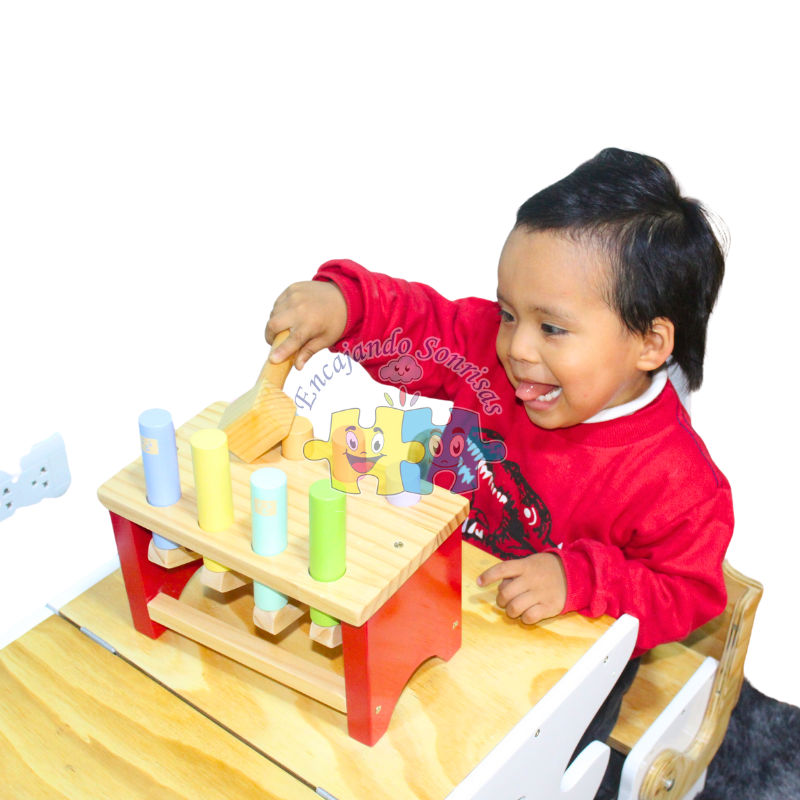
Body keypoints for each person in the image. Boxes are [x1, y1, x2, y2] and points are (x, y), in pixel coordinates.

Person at [265, 148, 732, 799]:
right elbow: (428, 323)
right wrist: (349, 305)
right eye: (509, 313)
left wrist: (579, 578)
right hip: (448, 588)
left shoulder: (679, 482)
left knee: (518, 763)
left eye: (552, 327)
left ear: (650, 343)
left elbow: (688, 591)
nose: (516, 347)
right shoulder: (495, 353)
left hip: (563, 651)